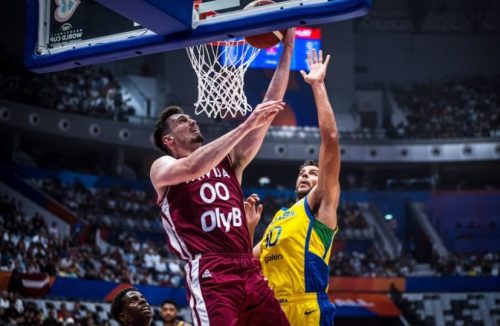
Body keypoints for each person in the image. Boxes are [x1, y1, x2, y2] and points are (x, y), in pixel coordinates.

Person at [150, 29, 295, 326]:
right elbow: (192, 168)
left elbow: (267, 111)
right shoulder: (162, 167)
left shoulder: (231, 161)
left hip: (247, 266)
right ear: (168, 140)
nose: (190, 119)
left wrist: (288, 48)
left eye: (188, 116)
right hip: (211, 270)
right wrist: (246, 124)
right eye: (180, 121)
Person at [251, 49, 340, 326]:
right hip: (272, 310)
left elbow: (332, 139)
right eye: (302, 173)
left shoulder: (322, 205)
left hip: (307, 308)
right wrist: (250, 227)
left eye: (314, 173)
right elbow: (246, 262)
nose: (306, 176)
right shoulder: (279, 218)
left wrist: (318, 85)